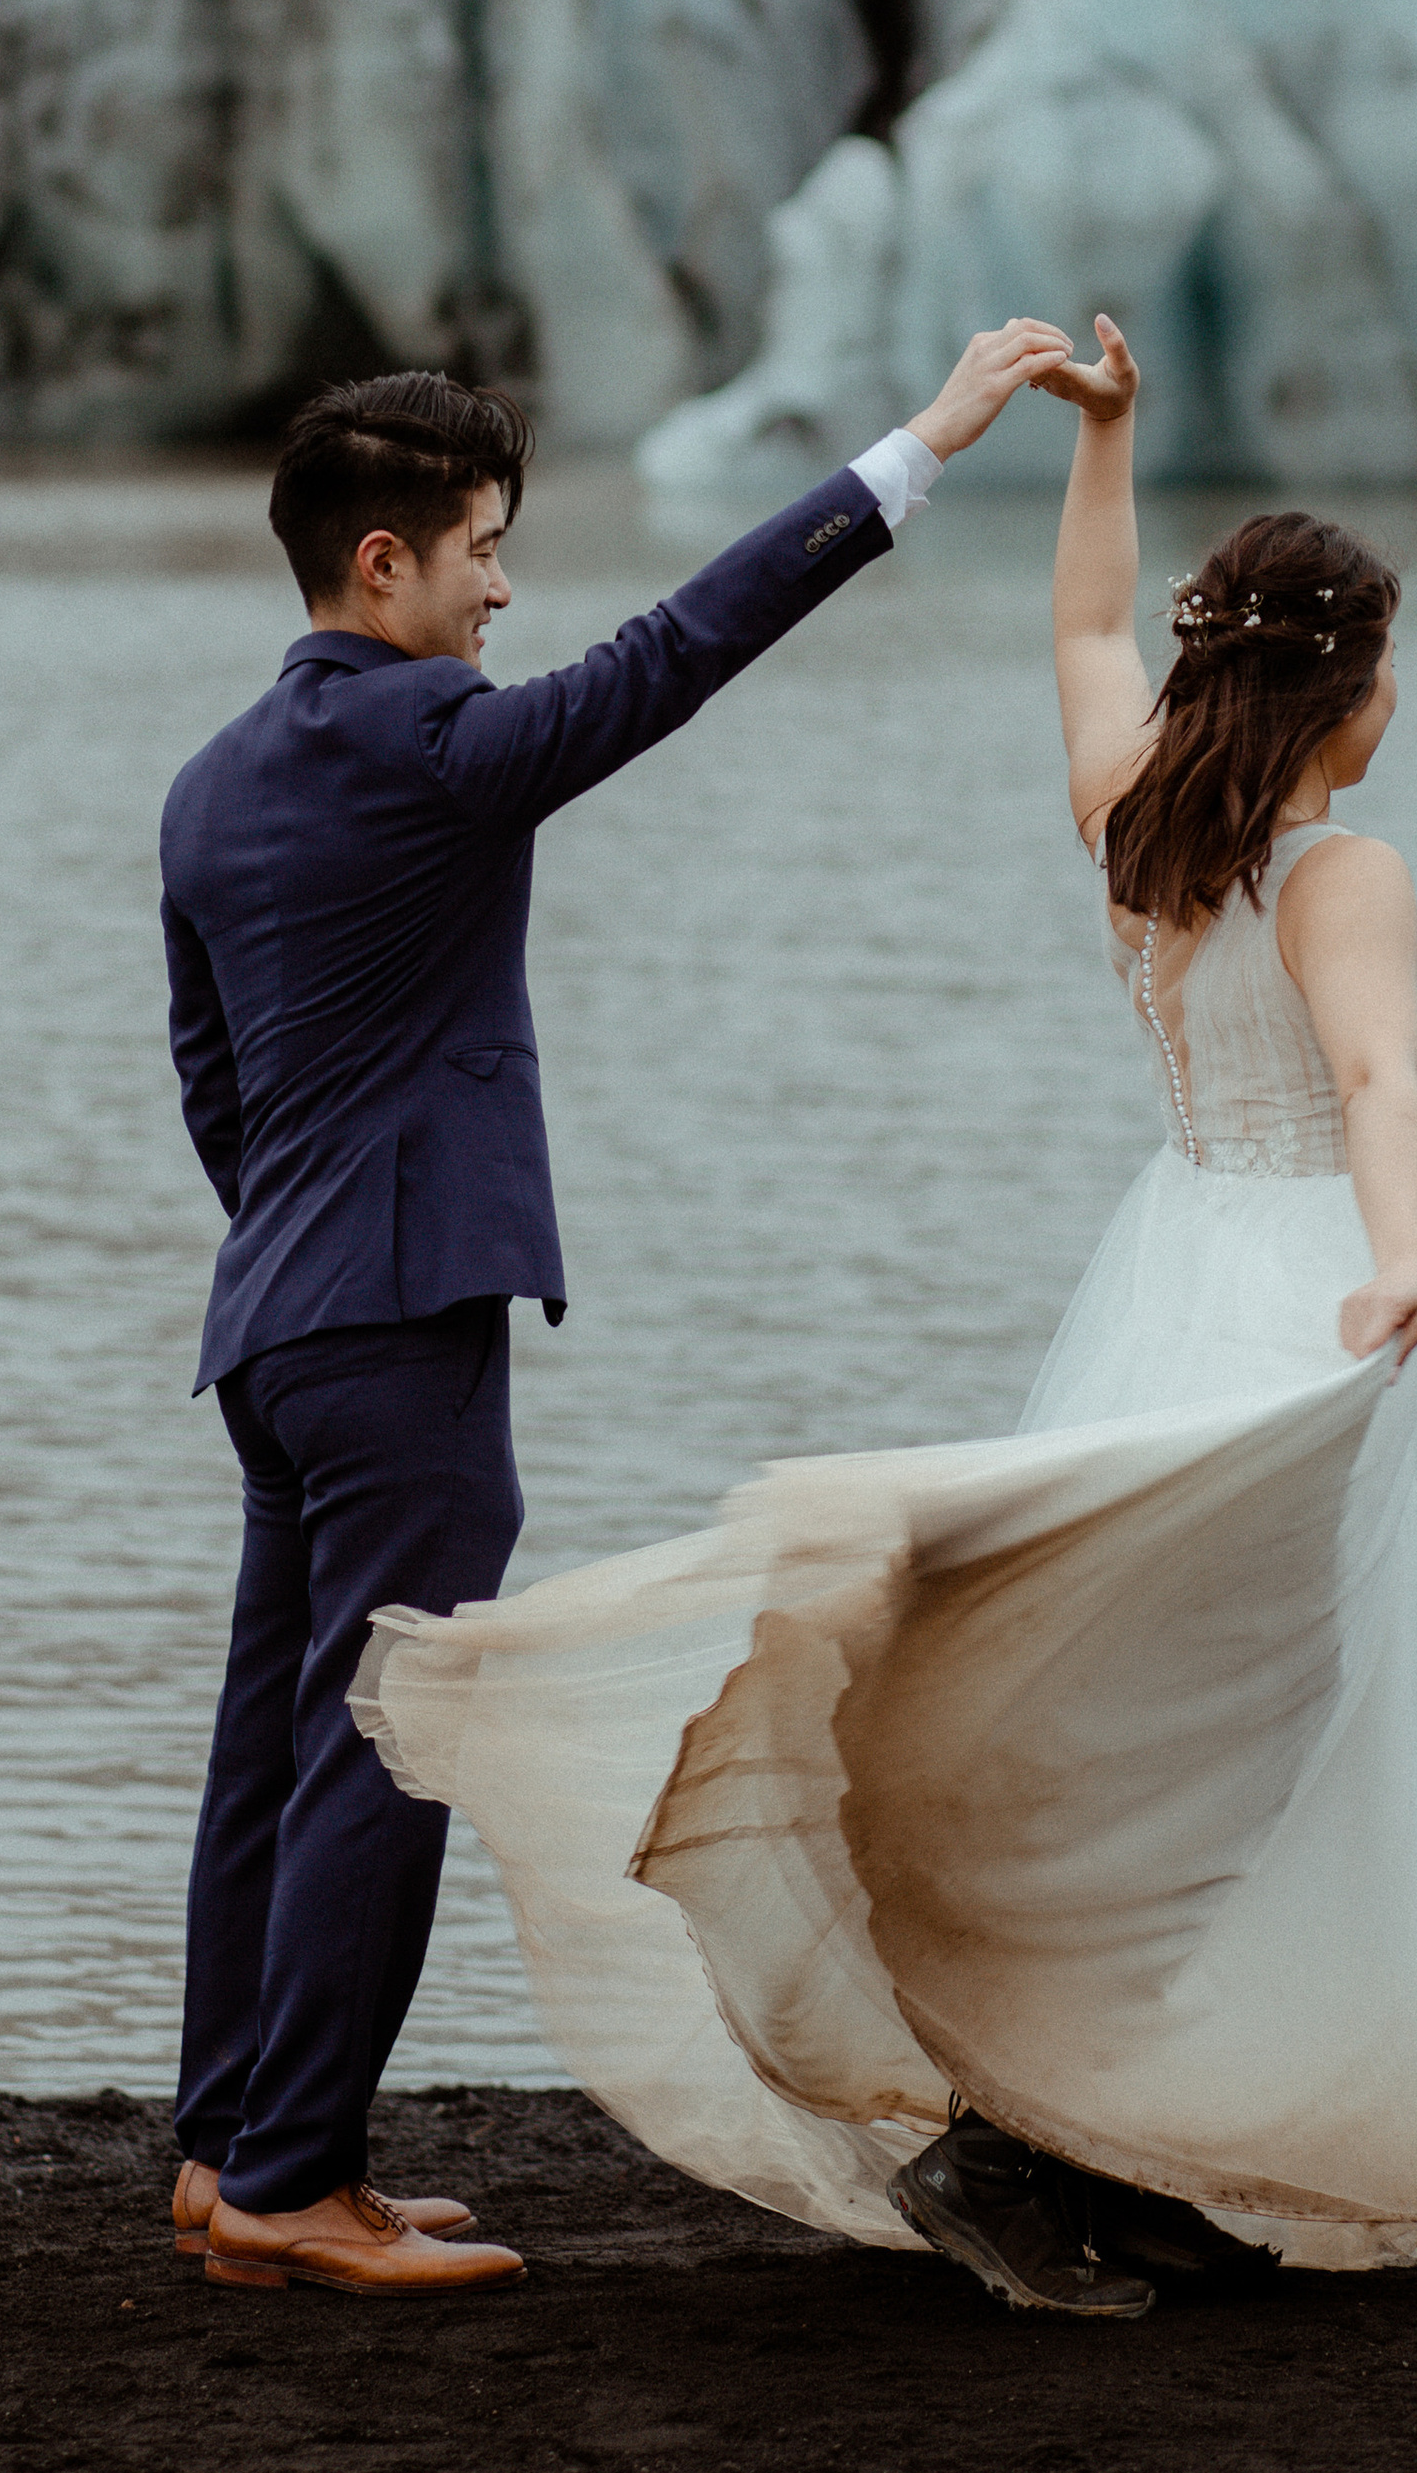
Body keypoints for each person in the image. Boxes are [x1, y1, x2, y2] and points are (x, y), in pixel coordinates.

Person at [356, 311, 1417, 2312]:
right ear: (1346, 692)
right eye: (1387, 662)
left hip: (1162, 1255)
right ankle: (1053, 2107)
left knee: (1127, 1716)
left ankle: (1089, 2112)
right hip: (1287, 1291)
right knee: (1226, 1736)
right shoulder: (1336, 869)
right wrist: (1405, 1251)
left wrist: (1104, 444)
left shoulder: (1137, 821)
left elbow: (1087, 638)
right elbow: (1373, 1086)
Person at [158, 323, 1078, 2299]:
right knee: (381, 1745)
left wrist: (308, 1245)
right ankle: (295, 2187)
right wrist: (910, 453)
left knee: (273, 1740)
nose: (505, 586)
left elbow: (210, 1086)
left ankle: (229, 2151)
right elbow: (671, 657)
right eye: (481, 546)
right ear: (381, 564)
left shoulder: (212, 782)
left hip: (275, 1324)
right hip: (395, 1330)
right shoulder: (425, 747)